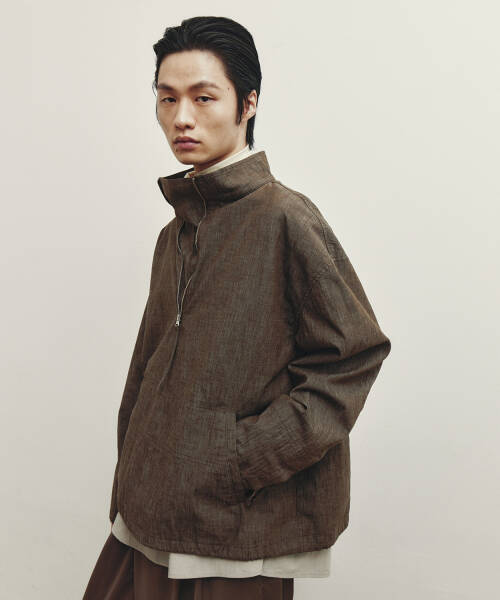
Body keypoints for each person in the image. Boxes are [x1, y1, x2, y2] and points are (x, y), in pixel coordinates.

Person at [83, 15, 391, 600]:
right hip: (147, 515)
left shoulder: (286, 218)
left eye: (204, 97)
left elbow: (352, 357)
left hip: (237, 534)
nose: (182, 117)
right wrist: (130, 473)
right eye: (167, 98)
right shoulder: (176, 232)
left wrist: (241, 459)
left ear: (248, 103)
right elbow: (147, 367)